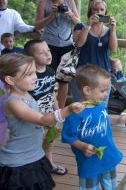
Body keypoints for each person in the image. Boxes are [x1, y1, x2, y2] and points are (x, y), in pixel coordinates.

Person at [0, 53, 85, 190]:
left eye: (34, 72)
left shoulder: (26, 94)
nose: (35, 77)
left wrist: (53, 116)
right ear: (10, 79)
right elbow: (40, 119)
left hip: (34, 156)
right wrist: (67, 110)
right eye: (29, 74)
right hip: (18, 163)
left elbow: (38, 114)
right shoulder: (13, 102)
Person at [61, 64, 126, 190]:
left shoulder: (100, 106)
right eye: (102, 90)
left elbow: (104, 119)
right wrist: (83, 146)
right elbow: (69, 137)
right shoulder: (74, 113)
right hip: (89, 162)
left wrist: (120, 119)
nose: (105, 94)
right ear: (87, 90)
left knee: (110, 186)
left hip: (108, 157)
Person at [34, 0, 80, 109]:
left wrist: (70, 14)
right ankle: (46, 109)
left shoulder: (70, 2)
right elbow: (37, 26)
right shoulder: (44, 2)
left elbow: (79, 23)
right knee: (46, 78)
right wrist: (51, 16)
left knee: (64, 81)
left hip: (67, 46)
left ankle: (59, 111)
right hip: (48, 46)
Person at [25, 39, 68, 175]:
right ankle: (34, 168)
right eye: (42, 53)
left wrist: (58, 111)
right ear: (31, 57)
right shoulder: (28, 76)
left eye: (48, 51)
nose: (48, 54)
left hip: (50, 114)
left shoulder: (50, 71)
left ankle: (49, 162)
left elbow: (51, 94)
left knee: (50, 140)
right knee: (35, 142)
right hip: (35, 117)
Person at [70, 0, 118, 103]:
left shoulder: (108, 30)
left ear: (105, 12)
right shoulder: (80, 26)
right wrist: (88, 25)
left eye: (101, 10)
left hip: (103, 75)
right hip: (84, 74)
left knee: (101, 108)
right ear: (90, 11)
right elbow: (78, 44)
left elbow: (113, 48)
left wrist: (113, 30)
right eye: (95, 9)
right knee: (81, 107)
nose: (98, 12)